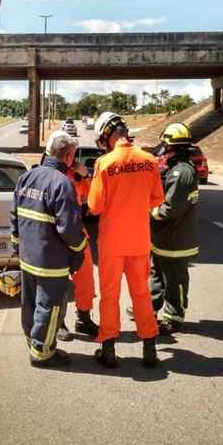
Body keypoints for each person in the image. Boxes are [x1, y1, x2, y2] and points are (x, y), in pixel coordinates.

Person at [88, 112, 164, 368]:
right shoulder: (149, 160)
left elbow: (95, 206)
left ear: (109, 136)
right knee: (141, 294)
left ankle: (108, 349)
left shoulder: (105, 163)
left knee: (110, 295)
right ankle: (150, 347)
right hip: (140, 240)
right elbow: (157, 199)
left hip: (112, 243)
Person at [11, 131, 87, 368]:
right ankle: (43, 353)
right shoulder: (61, 183)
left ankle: (33, 342)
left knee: (30, 303)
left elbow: (15, 215)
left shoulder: (28, 177)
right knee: (50, 307)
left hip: (27, 256)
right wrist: (80, 249)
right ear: (69, 155)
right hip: (51, 261)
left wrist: (17, 244)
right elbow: (69, 229)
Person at [149, 123, 199, 335]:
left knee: (175, 280)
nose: (163, 150)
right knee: (157, 275)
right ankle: (150, 307)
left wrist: (149, 212)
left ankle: (174, 317)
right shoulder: (174, 169)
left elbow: (169, 208)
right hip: (163, 239)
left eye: (165, 146)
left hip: (175, 241)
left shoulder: (182, 172)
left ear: (173, 148)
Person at [56, 158, 99, 341]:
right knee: (58, 282)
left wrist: (87, 176)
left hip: (78, 233)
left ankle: (83, 318)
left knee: (86, 279)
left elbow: (94, 201)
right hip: (56, 235)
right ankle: (58, 322)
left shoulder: (78, 177)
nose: (71, 159)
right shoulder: (53, 175)